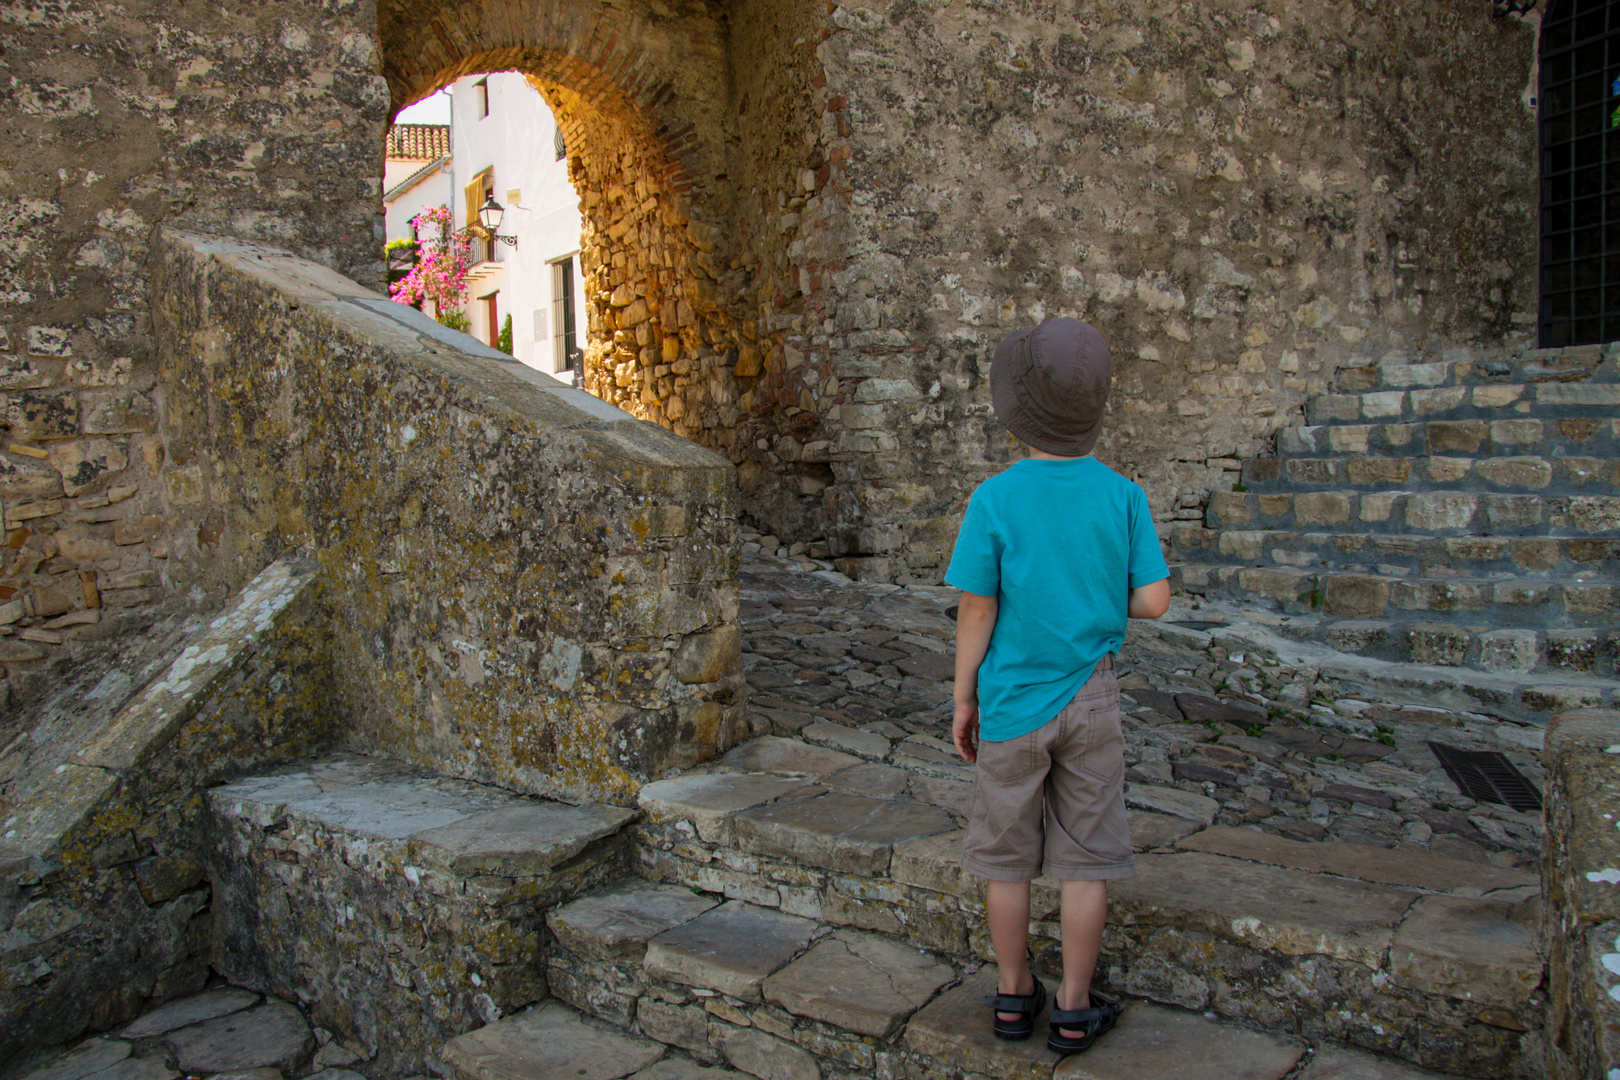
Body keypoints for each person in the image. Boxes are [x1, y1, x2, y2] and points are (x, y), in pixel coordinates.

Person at [946, 316, 1171, 1057]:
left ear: (1018, 409)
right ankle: (1074, 1008)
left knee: (1007, 859)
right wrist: (1098, 597)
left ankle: (1014, 996)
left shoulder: (996, 499)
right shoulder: (1123, 496)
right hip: (1093, 700)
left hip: (1011, 702)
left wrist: (964, 698)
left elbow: (978, 605)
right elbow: (1153, 600)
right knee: (1086, 859)